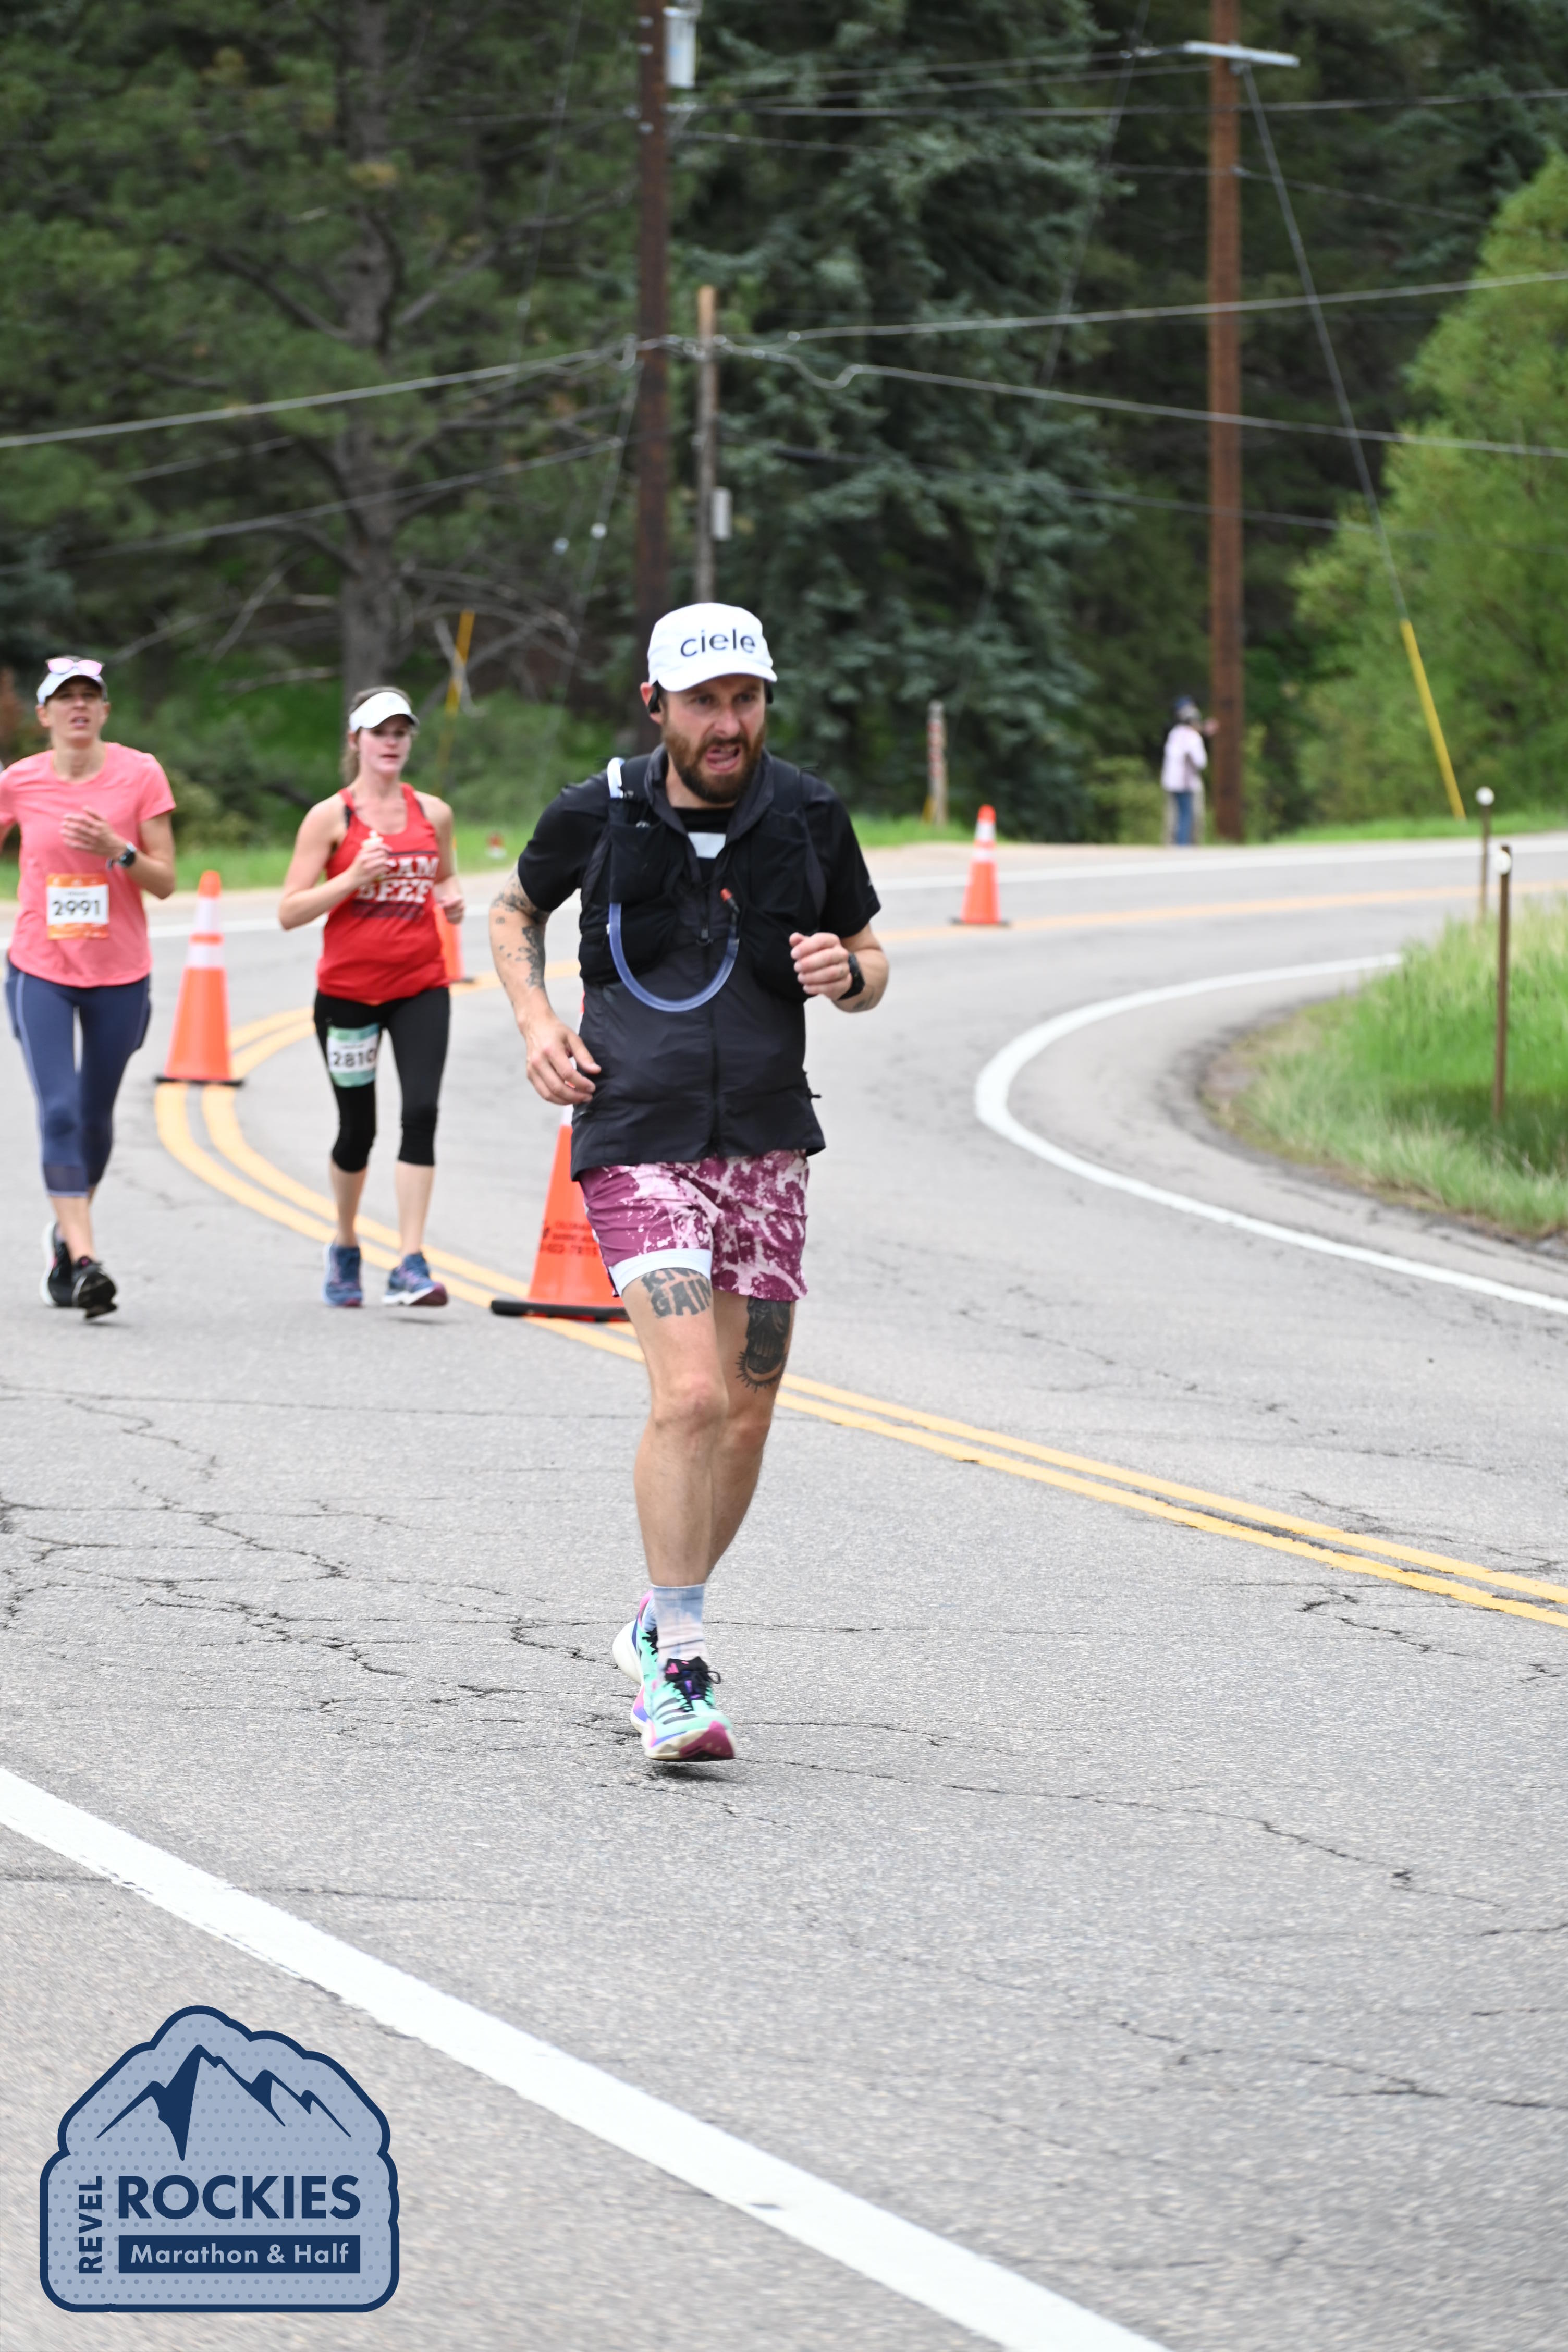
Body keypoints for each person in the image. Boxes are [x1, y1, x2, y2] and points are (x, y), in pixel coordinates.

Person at [491, 602, 888, 1764]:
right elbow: (514, 908)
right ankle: (677, 1671)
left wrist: (847, 973)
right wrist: (535, 1021)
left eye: (745, 699)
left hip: (765, 1143)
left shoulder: (807, 812)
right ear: (655, 704)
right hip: (639, 1135)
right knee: (694, 1398)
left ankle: (656, 1618)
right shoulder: (599, 809)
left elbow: (871, 959)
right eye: (705, 701)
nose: (727, 723)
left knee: (748, 1411)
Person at [1, 656, 177, 1318]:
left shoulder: (140, 774)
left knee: (97, 1121)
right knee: (60, 1112)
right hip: (40, 968)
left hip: (120, 972)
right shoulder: (19, 781)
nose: (78, 706)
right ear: (43, 715)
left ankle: (65, 1236)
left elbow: (166, 881)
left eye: (89, 696)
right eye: (65, 697)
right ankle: (84, 1259)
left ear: (104, 711)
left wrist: (117, 848)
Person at [278, 685, 463, 1308]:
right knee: (358, 1130)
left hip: (420, 987)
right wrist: (352, 879)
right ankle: (345, 1242)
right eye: (379, 732)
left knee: (422, 1113)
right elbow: (289, 910)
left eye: (401, 732)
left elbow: (444, 876)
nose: (391, 742)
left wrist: (451, 898)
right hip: (347, 997)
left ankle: (410, 1261)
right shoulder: (330, 818)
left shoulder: (433, 813)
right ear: (355, 740)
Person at [1160, 696, 1214, 847]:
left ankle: (1172, 844)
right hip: (1186, 782)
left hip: (1170, 781)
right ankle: (1183, 845)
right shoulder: (1193, 737)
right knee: (1187, 815)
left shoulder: (1174, 733)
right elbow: (1201, 762)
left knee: (1173, 815)